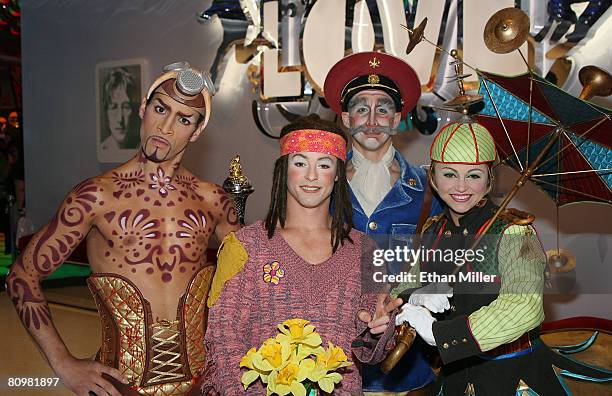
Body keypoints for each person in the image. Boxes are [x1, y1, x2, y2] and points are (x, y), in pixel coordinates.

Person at [6, 62, 240, 396]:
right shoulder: (96, 196)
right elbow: (21, 277)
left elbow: (252, 281)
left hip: (204, 384)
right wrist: (64, 363)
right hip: (120, 385)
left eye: (184, 119)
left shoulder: (214, 200)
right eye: (160, 109)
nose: (166, 127)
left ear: (197, 131)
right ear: (144, 108)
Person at [393, 117, 611, 395]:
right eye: (449, 174)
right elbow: (399, 288)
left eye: (474, 175)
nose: (461, 187)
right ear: (433, 178)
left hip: (516, 376)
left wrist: (442, 334)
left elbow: (525, 307)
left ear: (488, 180)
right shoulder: (434, 230)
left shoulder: (518, 233)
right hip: (455, 377)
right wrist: (416, 295)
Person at [201, 115, 402, 395]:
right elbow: (224, 342)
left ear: (337, 173)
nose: (311, 176)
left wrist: (379, 329)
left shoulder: (365, 250)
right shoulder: (243, 246)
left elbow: (374, 345)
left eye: (324, 164)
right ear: (284, 169)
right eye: (300, 163)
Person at [323, 51, 442, 393]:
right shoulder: (318, 183)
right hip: (334, 354)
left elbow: (440, 263)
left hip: (404, 363)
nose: (372, 119)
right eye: (361, 108)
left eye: (384, 108)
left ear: (397, 119)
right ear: (345, 117)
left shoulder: (429, 189)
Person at [100, 67, 141, 151]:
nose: (119, 119)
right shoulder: (103, 148)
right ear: (106, 111)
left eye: (126, 107)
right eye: (113, 107)